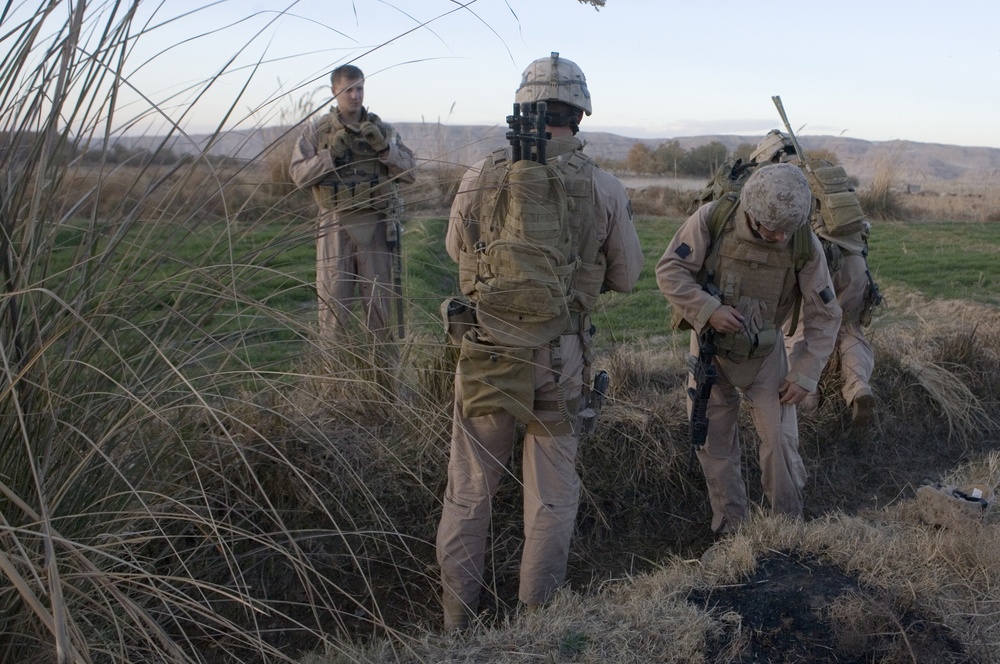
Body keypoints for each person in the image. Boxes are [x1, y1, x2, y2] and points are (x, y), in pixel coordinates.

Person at [435, 52, 643, 631]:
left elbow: (457, 251)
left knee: (469, 494)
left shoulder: (481, 175)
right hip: (560, 359)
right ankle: (537, 621)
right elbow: (627, 277)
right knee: (552, 495)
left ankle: (455, 626)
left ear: (523, 105)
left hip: (488, 356)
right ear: (579, 112)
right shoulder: (602, 186)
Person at [657, 163, 842, 534]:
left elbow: (825, 315)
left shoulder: (804, 242)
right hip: (710, 350)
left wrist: (805, 372)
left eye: (785, 231)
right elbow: (670, 271)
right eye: (772, 229)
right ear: (752, 214)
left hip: (767, 354)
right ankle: (731, 531)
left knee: (779, 442)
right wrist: (708, 310)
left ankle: (787, 531)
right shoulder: (713, 218)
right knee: (714, 442)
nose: (778, 238)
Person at [701, 130, 880, 427]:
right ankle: (858, 387)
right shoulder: (824, 173)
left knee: (797, 332)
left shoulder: (772, 183)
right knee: (849, 327)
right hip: (855, 265)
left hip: (815, 263)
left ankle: (806, 410)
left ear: (767, 156)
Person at [289, 64, 416, 354]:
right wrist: (329, 154)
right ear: (334, 92)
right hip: (335, 225)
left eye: (359, 88)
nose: (355, 96)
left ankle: (384, 382)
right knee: (333, 310)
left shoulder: (383, 130)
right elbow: (298, 176)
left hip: (376, 226)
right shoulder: (317, 131)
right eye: (348, 90)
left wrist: (385, 150)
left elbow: (410, 172)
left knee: (380, 311)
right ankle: (335, 385)